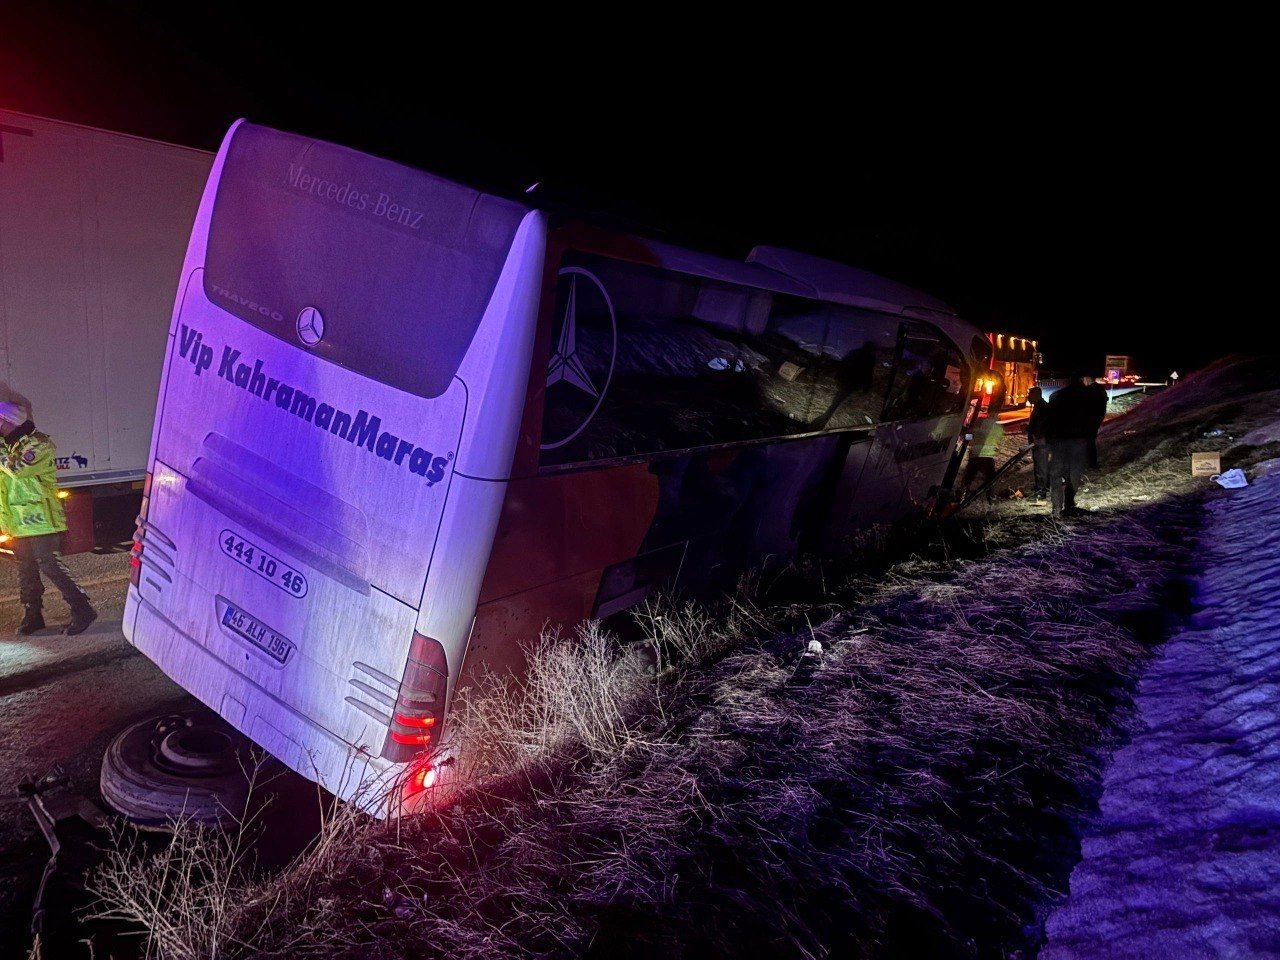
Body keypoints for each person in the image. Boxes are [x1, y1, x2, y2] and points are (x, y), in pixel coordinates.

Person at [0, 401, 97, 635]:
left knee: (49, 564)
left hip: (41, 519)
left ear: (9, 421)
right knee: (26, 569)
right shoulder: (8, 446)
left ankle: (82, 608)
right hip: (17, 521)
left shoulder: (39, 445)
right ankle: (33, 616)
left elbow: (17, 470)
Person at [1043, 375, 1096, 517]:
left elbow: (1048, 420)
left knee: (1056, 474)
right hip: (1078, 441)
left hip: (1059, 441)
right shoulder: (1088, 398)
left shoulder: (1056, 397)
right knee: (1074, 474)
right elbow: (1092, 420)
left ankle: (1056, 508)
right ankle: (1069, 503)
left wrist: (1049, 439)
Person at [1025, 385, 1050, 499]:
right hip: (1040, 441)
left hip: (1040, 442)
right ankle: (1041, 487)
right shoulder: (1041, 406)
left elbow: (1039, 427)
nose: (1028, 398)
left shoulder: (1041, 408)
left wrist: (1028, 429)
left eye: (1029, 395)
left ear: (1036, 395)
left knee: (1041, 467)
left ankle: (1041, 491)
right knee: (1041, 466)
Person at [1084, 378, 1109, 470]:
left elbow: (1085, 407)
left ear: (1087, 379)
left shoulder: (1088, 390)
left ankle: (1090, 464)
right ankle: (1092, 464)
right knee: (1091, 441)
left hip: (1089, 420)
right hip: (1097, 419)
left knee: (1087, 442)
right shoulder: (1101, 389)